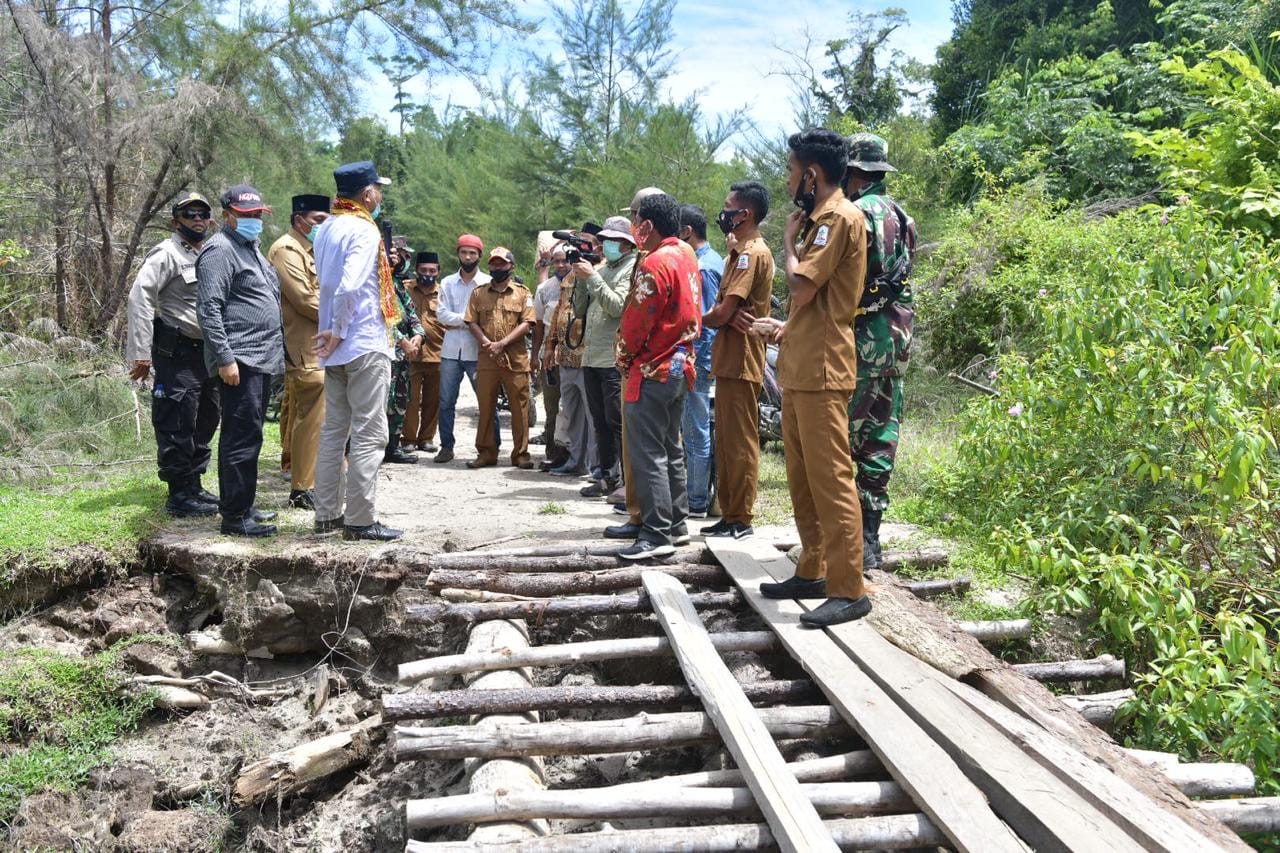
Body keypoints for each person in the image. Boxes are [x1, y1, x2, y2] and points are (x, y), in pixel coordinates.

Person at [757, 128, 872, 626]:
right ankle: (813, 569)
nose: (787, 182)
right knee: (802, 478)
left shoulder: (838, 218)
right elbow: (812, 304)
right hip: (801, 365)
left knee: (832, 480)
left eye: (790, 172)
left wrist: (786, 242)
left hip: (824, 368)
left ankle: (849, 589)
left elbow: (802, 286)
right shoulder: (818, 221)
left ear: (811, 174)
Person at [311, 160, 402, 542]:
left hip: (335, 348)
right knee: (369, 432)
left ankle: (326, 515)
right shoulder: (363, 229)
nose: (379, 197)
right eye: (377, 190)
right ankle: (360, 520)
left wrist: (333, 332)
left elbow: (329, 285)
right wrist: (340, 330)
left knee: (334, 431)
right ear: (367, 194)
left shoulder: (326, 228)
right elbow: (349, 286)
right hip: (361, 341)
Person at [843, 133, 917, 569]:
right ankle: (870, 539)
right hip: (896, 341)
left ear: (852, 171)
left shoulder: (854, 214)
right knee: (881, 436)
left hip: (860, 341)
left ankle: (846, 540)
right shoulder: (904, 217)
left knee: (842, 435)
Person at [615, 192, 702, 560]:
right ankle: (677, 524)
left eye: (637, 221)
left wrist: (623, 356)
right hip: (682, 365)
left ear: (647, 225)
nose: (634, 227)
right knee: (670, 447)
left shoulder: (654, 262)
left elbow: (637, 322)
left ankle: (655, 533)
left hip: (653, 367)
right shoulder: (686, 253)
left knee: (648, 453)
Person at [195, 184, 284, 537]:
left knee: (252, 435)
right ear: (227, 216)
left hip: (261, 357)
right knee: (239, 437)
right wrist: (225, 358)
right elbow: (209, 309)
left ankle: (244, 505)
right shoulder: (219, 250)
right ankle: (234, 517)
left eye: (258, 214)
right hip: (240, 359)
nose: (254, 220)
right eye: (247, 215)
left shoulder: (250, 248)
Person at [126, 191, 221, 517]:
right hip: (177, 352)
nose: (198, 219)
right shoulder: (166, 253)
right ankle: (178, 494)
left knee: (206, 419)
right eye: (190, 214)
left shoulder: (211, 252)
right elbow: (140, 298)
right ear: (175, 221)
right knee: (177, 421)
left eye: (202, 213)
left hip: (208, 354)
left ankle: (194, 485)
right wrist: (140, 352)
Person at [702, 181, 774, 540]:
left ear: (744, 213)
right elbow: (725, 311)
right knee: (726, 441)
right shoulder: (738, 252)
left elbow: (724, 310)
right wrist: (723, 315)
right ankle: (729, 513)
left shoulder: (752, 254)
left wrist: (698, 318)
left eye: (729, 205)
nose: (724, 211)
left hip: (744, 359)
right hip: (729, 357)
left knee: (741, 441)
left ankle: (741, 518)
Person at [268, 193, 331, 510]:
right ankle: (302, 489)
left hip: (323, 344)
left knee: (320, 416)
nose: (324, 226)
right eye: (319, 220)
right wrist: (345, 319)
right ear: (299, 220)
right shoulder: (286, 250)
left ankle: (315, 480)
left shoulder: (315, 250)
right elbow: (306, 300)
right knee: (309, 416)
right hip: (303, 345)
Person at [573, 216, 636, 501]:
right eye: (604, 240)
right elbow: (579, 310)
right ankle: (607, 476)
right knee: (600, 421)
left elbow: (616, 307)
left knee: (617, 421)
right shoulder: (602, 269)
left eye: (611, 241)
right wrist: (580, 278)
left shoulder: (630, 268)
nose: (605, 245)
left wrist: (592, 277)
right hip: (592, 356)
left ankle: (626, 481)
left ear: (625, 244)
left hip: (613, 359)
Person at [464, 246, 536, 469]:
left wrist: (502, 344)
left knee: (520, 407)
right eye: (494, 263)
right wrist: (488, 344)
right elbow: (471, 322)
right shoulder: (478, 293)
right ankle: (486, 452)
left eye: (502, 263)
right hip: (487, 358)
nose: (497, 267)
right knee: (486, 406)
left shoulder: (523, 293)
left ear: (511, 266)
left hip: (515, 358)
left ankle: (520, 454)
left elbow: (528, 322)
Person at [676, 204, 722, 519]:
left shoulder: (703, 267)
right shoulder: (709, 260)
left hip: (699, 359)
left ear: (687, 232)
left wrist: (694, 361)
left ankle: (696, 500)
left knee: (695, 430)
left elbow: (703, 323)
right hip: (701, 357)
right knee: (694, 427)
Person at [434, 234, 497, 464]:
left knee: (487, 401)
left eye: (472, 253)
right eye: (464, 252)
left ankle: (491, 447)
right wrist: (470, 320)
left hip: (478, 350)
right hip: (451, 349)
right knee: (446, 402)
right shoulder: (447, 282)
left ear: (479, 255)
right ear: (458, 254)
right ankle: (446, 446)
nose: (468, 257)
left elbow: (489, 318)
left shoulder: (488, 283)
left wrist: (459, 320)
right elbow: (441, 315)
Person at [385, 245, 426, 464]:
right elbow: (383, 319)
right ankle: (374, 448)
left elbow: (411, 314)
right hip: (386, 353)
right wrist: (403, 341)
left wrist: (418, 335)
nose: (400, 261)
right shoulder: (378, 283)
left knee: (400, 399)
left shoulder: (398, 284)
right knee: (382, 401)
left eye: (402, 257)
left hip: (403, 357)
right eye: (395, 256)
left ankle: (392, 447)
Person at [403, 251, 445, 453]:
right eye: (423, 270)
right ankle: (408, 439)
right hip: (410, 354)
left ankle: (426, 438)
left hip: (438, 353)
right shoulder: (405, 289)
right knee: (410, 400)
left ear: (438, 271)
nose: (427, 274)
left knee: (433, 400)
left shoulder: (444, 292)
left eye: (432, 271)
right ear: (416, 270)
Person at [531, 245, 567, 457]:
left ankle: (573, 455)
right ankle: (553, 453)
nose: (560, 265)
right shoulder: (544, 289)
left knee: (572, 407)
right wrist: (535, 356)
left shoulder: (582, 284)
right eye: (556, 261)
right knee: (551, 406)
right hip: (550, 357)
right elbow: (537, 326)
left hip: (576, 358)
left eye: (564, 260)